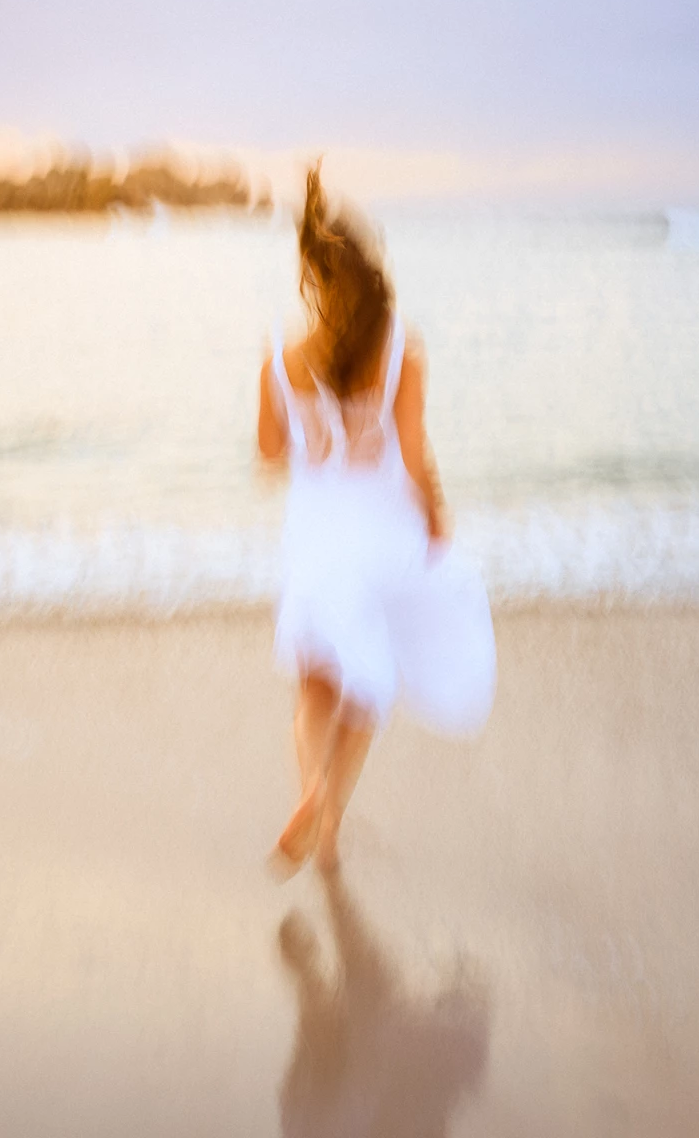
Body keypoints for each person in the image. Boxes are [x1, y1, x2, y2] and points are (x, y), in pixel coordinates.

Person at [257, 160, 495, 874]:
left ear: (313, 280)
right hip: (381, 537)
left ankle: (308, 794)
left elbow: (268, 456)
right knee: (365, 689)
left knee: (315, 686)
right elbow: (415, 455)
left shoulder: (278, 356)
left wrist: (309, 434)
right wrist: (438, 518)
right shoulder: (401, 352)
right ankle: (328, 821)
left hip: (315, 540)